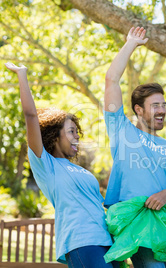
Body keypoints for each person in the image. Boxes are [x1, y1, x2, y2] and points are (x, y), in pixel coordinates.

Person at [4, 62, 119, 268]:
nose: (77, 137)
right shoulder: (46, 165)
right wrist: (22, 75)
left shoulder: (81, 170)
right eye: (71, 131)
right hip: (82, 241)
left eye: (77, 132)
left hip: (107, 243)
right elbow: (31, 116)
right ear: (54, 135)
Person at [103, 26, 166, 268]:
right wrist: (131, 43)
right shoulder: (122, 132)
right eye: (155, 105)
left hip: (164, 228)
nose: (162, 110)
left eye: (163, 104)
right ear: (138, 110)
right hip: (133, 224)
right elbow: (111, 79)